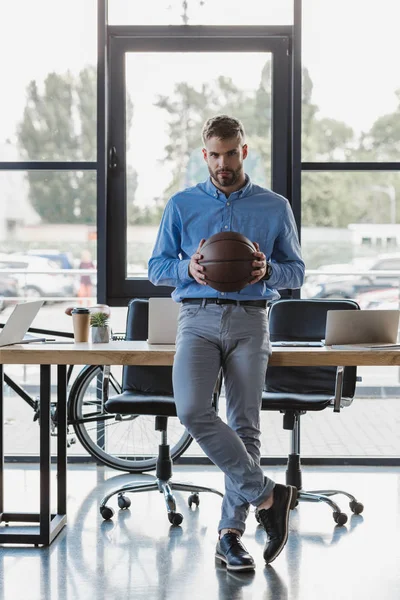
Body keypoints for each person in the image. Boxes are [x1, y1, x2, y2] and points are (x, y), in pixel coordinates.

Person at [148, 115, 305, 571]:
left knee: (245, 426)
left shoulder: (275, 206)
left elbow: (297, 271)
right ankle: (269, 496)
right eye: (214, 155)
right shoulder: (181, 205)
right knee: (193, 410)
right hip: (195, 318)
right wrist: (187, 270)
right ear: (204, 155)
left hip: (252, 319)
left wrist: (268, 271)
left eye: (231, 153)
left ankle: (229, 535)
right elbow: (157, 266)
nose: (223, 163)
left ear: (244, 151)